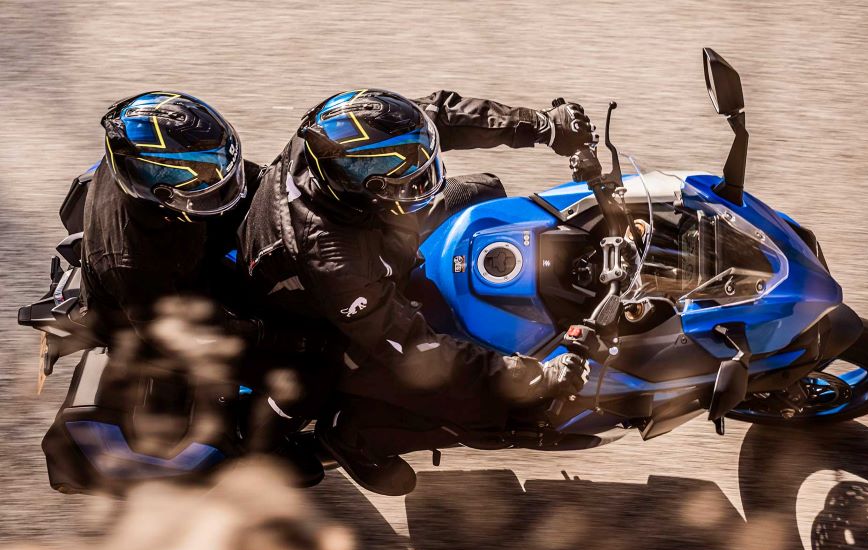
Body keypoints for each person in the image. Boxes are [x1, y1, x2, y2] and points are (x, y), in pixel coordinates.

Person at [238, 89, 594, 495]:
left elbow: (435, 114)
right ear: (359, 185)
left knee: (485, 195)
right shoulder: (334, 257)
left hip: (369, 241)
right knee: (483, 401)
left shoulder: (345, 136)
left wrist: (542, 126)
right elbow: (413, 347)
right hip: (324, 315)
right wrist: (524, 373)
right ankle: (354, 436)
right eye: (401, 172)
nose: (419, 175)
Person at [42, 91, 320, 493]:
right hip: (164, 312)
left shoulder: (145, 168)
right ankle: (259, 443)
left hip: (184, 254)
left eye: (215, 166)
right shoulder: (131, 263)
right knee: (309, 359)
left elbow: (247, 180)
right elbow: (179, 332)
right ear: (152, 184)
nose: (213, 178)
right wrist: (262, 332)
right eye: (196, 173)